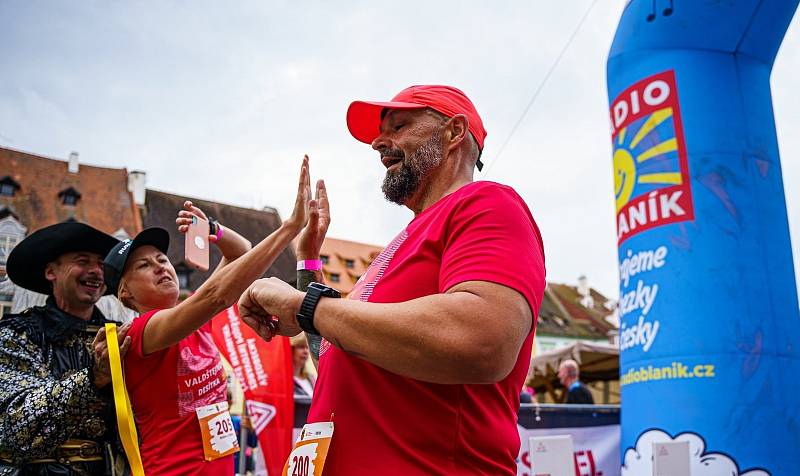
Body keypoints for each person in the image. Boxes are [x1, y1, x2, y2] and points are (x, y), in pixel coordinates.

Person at [239, 85, 547, 475]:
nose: (378, 143)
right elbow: (341, 357)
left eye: (399, 126)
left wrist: (307, 307)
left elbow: (484, 338)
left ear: (454, 132)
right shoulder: (397, 246)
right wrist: (308, 264)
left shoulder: (487, 202)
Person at [102, 157, 311, 476]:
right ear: (125, 294)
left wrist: (211, 229)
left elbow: (240, 251)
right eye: (144, 266)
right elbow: (218, 296)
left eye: (161, 259)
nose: (160, 266)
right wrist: (289, 229)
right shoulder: (142, 331)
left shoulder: (190, 318)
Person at [0, 222, 130, 475]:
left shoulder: (121, 335)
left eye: (102, 264)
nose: (96, 271)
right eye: (83, 261)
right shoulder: (17, 334)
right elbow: (15, 428)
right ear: (51, 272)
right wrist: (93, 379)